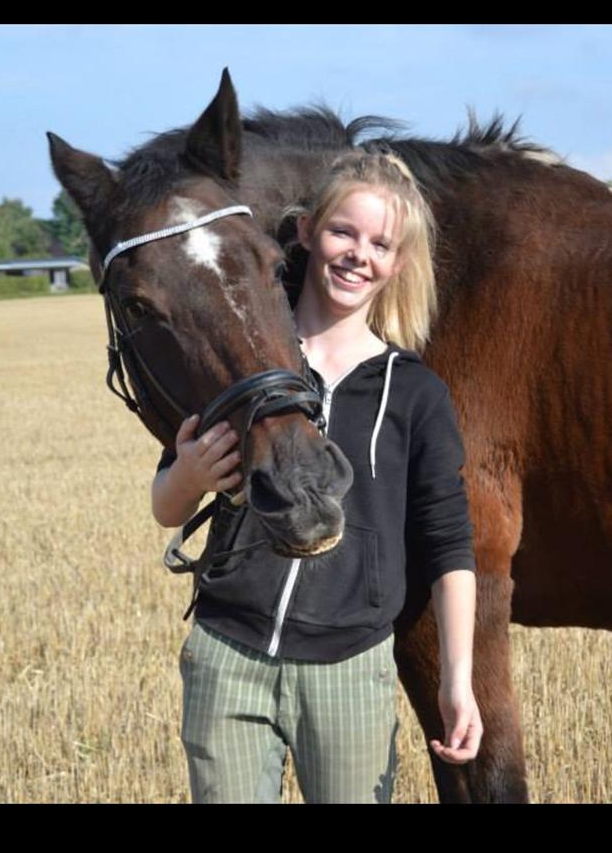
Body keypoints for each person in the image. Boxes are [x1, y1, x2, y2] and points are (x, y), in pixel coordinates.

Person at [151, 150, 480, 803]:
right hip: (229, 658)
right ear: (306, 231)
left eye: (380, 243)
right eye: (344, 232)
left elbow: (449, 545)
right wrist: (189, 473)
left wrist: (456, 678)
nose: (359, 253)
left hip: (349, 673)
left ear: (397, 265)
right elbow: (165, 505)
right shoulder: (240, 363)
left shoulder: (414, 393)